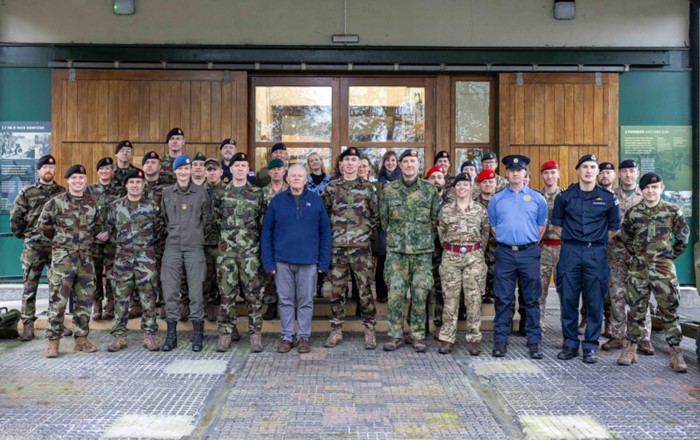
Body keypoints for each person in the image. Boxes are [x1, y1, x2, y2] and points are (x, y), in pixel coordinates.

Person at [617, 173, 689, 373]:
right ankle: (631, 348)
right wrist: (640, 256)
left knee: (669, 310)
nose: (650, 190)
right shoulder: (633, 213)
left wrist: (666, 258)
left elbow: (683, 239)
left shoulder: (673, 211)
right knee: (635, 310)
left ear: (661, 188)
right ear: (640, 190)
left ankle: (675, 352)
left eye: (654, 187)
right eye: (647, 187)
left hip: (663, 270)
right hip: (638, 269)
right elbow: (627, 239)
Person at [552, 154, 620, 364]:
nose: (589, 171)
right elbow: (557, 224)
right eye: (585, 167)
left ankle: (590, 345)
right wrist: (576, 240)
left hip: (596, 254)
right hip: (570, 252)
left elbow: (614, 228)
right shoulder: (564, 196)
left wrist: (594, 240)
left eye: (592, 167)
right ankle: (570, 343)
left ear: (597, 172)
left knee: (595, 301)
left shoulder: (609, 199)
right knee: (568, 300)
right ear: (578, 170)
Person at [38, 164, 108, 358]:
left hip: (85, 260)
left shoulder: (93, 203)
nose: (78, 181)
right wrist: (60, 243)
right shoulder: (56, 203)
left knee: (84, 301)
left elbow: (98, 227)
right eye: (74, 178)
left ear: (86, 180)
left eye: (81, 178)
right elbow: (43, 226)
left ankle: (81, 339)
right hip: (63, 260)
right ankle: (53, 342)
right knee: (57, 301)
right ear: (67, 180)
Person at [261, 164, 331, 354]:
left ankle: (303, 337)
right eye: (294, 175)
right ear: (288, 179)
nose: (297, 178)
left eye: (301, 175)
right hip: (282, 261)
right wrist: (269, 262)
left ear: (305, 179)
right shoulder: (277, 202)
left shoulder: (316, 201)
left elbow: (325, 232)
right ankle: (286, 336)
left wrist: (323, 262)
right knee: (285, 301)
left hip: (309, 261)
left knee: (306, 300)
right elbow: (266, 233)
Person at [487, 155, 547, 359]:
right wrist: (509, 241)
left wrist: (525, 243)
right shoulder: (496, 199)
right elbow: (493, 227)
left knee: (531, 299)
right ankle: (500, 341)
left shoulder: (538, 199)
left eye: (519, 170)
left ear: (525, 174)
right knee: (503, 299)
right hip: (504, 253)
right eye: (511, 170)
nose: (515, 173)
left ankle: (534, 341)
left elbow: (541, 228)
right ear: (506, 173)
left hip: (529, 253)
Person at [380, 149, 440, 353]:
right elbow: (384, 220)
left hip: (422, 253)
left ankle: (417, 335)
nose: (409, 165)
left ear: (418, 165)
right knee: (395, 293)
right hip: (397, 252)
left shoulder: (429, 190)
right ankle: (395, 335)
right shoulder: (389, 190)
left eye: (412, 162)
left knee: (420, 293)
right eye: (405, 162)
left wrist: (421, 240)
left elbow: (435, 220)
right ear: (399, 165)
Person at [322, 147, 379, 350]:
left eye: (353, 160)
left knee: (365, 290)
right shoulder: (331, 187)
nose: (350, 163)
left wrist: (363, 233)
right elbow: (323, 215)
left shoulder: (368, 188)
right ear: (340, 164)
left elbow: (376, 215)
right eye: (346, 160)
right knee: (337, 291)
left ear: (358, 164)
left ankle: (369, 329)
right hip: (338, 248)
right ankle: (336, 330)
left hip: (361, 249)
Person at [105, 168, 164, 352]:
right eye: (131, 182)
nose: (135, 185)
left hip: (146, 259)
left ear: (143, 184)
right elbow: (110, 231)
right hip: (122, 259)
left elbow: (160, 230)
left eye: (138, 182)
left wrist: (144, 248)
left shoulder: (151, 206)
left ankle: (148, 334)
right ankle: (119, 336)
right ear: (126, 185)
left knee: (148, 297)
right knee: (121, 298)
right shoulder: (115, 207)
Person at [213, 152, 266, 353]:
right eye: (237, 165)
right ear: (231, 169)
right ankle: (225, 333)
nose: (240, 169)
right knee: (226, 295)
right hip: (227, 253)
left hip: (250, 252)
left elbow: (262, 222)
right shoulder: (221, 193)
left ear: (248, 169)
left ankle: (255, 334)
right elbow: (216, 220)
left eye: (244, 165)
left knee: (253, 295)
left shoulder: (257, 194)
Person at [10, 155, 66, 341]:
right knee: (30, 285)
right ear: (39, 170)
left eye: (52, 167)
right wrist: (27, 235)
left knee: (56, 285)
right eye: (45, 167)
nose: (49, 170)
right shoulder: (28, 192)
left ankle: (56, 322)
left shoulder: (63, 192)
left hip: (56, 246)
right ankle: (28, 324)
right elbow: (16, 218)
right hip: (34, 247)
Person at [160, 154, 213, 352]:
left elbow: (207, 220)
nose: (183, 172)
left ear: (191, 171)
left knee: (196, 291)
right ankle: (171, 334)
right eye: (180, 169)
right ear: (175, 171)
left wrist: (197, 237)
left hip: (194, 247)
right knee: (171, 291)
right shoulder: (166, 193)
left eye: (186, 169)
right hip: (172, 246)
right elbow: (163, 219)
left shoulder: (201, 192)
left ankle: (197, 334)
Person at [603, 159, 654, 354]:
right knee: (616, 294)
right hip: (615, 251)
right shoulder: (610, 195)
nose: (628, 175)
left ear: (637, 173)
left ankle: (643, 337)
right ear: (620, 174)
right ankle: (617, 335)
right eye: (624, 171)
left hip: (639, 252)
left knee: (641, 294)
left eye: (631, 171)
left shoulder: (645, 194)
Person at [437, 173, 489, 355]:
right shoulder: (445, 210)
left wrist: (474, 250)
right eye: (459, 185)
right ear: (454, 188)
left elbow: (485, 234)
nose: (462, 188)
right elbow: (441, 233)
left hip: (473, 257)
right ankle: (447, 338)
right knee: (450, 299)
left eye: (465, 185)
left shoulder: (480, 210)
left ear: (471, 188)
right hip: (451, 256)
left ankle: (474, 338)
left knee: (473, 299)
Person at [86, 157, 125, 321]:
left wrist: (109, 231)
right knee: (94, 272)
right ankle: (96, 303)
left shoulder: (120, 190)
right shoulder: (89, 190)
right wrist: (95, 232)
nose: (104, 171)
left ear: (112, 171)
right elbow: (85, 213)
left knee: (112, 273)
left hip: (112, 240)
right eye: (101, 169)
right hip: (94, 240)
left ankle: (110, 304)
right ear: (98, 172)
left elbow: (122, 214)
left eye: (108, 169)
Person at [261, 158, 289, 320]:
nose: (276, 171)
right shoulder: (262, 192)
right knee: (270, 273)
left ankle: (287, 305)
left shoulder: (290, 190)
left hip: (286, 237)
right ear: (269, 172)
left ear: (284, 171)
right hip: (269, 236)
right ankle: (271, 305)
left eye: (279, 169)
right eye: (273, 169)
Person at [538, 160, 563, 330]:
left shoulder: (566, 197)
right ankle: (538, 325)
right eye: (546, 173)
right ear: (542, 175)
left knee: (565, 291)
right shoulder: (536, 197)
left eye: (553, 172)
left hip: (562, 248)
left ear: (558, 174)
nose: (550, 176)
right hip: (542, 249)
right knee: (540, 290)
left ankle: (566, 327)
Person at [374, 150, 401, 304]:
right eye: (387, 160)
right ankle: (381, 293)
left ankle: (397, 293)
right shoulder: (378, 181)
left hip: (399, 225)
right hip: (383, 225)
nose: (390, 163)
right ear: (383, 163)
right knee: (383, 258)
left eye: (393, 160)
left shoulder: (403, 179)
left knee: (397, 260)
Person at [204, 158, 225, 322]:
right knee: (205, 278)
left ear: (221, 172)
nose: (212, 173)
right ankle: (208, 307)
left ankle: (225, 313)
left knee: (223, 279)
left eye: (215, 170)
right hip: (202, 242)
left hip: (221, 243)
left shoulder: (227, 191)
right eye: (209, 170)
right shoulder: (198, 192)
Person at [475, 169, 498, 304]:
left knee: (496, 275)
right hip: (478, 248)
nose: (488, 184)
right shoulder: (473, 203)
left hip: (497, 247)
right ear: (479, 185)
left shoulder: (501, 202)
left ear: (495, 183)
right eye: (484, 182)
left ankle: (492, 294)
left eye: (491, 181)